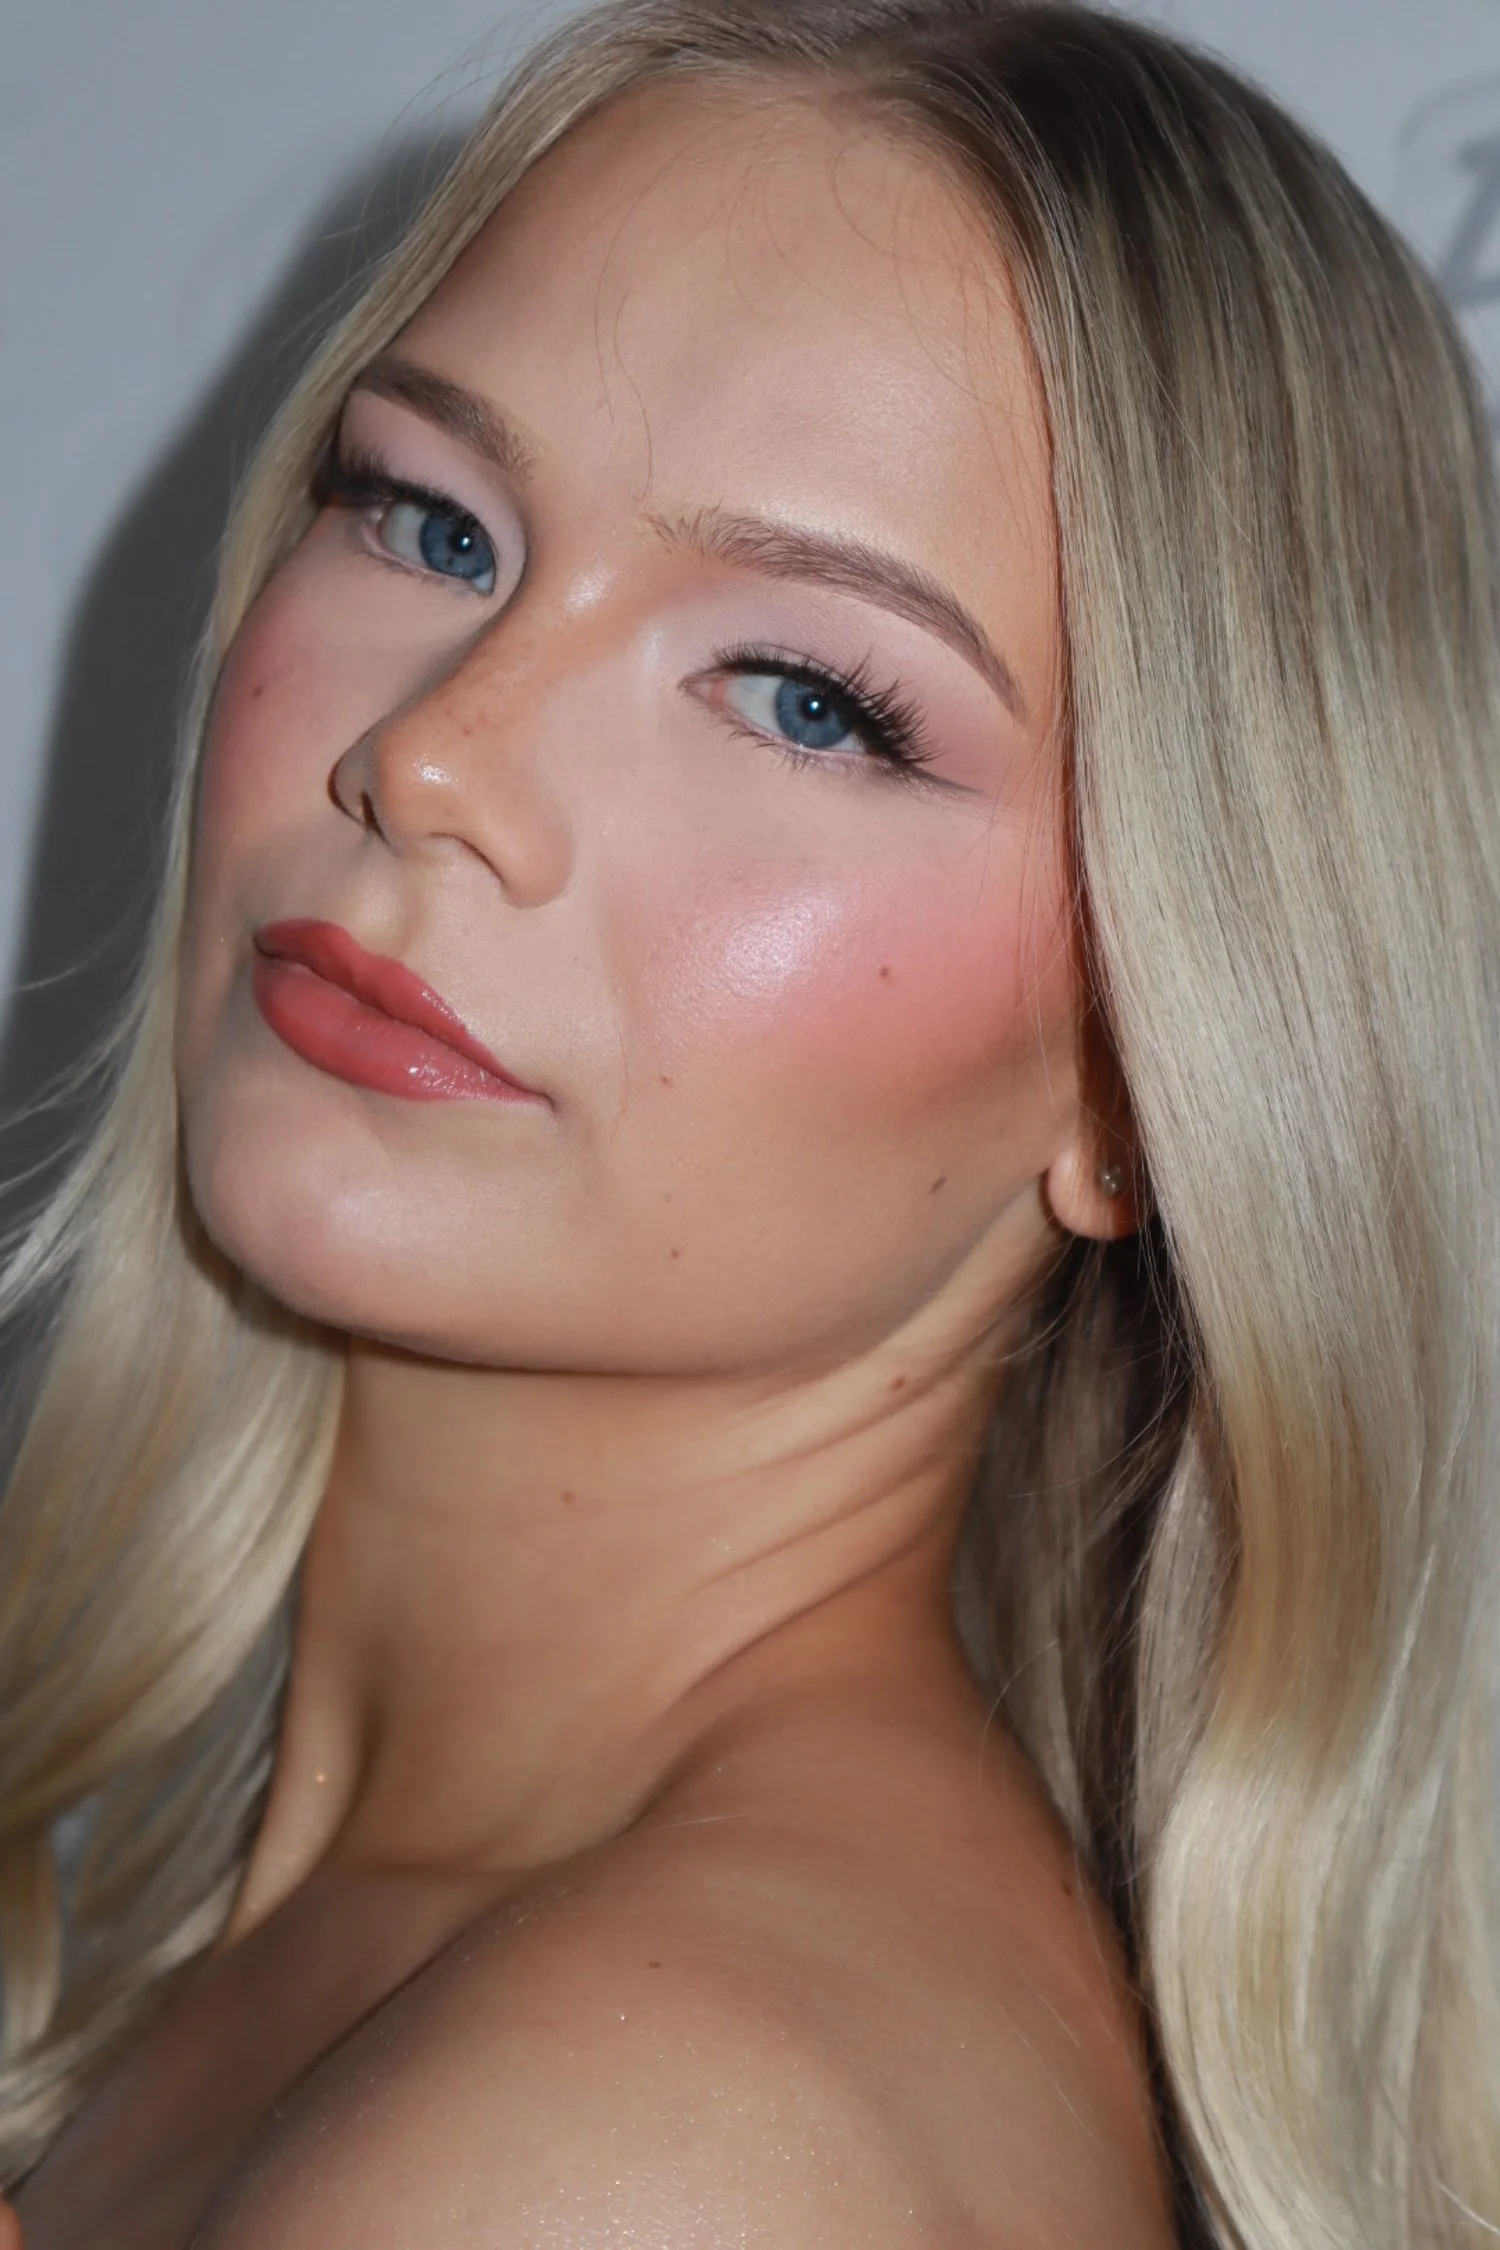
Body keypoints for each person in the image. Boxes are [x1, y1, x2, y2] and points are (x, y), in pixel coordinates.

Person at [0, 0, 1495, 2242]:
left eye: (809, 700)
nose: (434, 760)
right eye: (431, 517)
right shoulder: (426, 1959)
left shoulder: (655, 2141)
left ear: (1150, 1064)